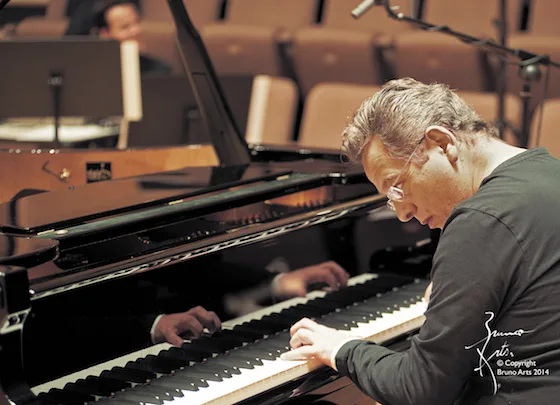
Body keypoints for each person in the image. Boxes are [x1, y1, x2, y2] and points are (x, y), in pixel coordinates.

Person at [280, 78, 560, 404]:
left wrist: (342, 349)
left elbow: (421, 390)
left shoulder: (480, 220)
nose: (402, 213)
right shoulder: (548, 171)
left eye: (397, 185)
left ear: (441, 143)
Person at [66, 0, 171, 75]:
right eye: (125, 27)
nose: (136, 31)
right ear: (105, 34)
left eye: (136, 23)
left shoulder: (160, 71)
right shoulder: (90, 73)